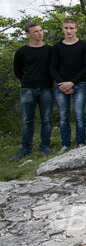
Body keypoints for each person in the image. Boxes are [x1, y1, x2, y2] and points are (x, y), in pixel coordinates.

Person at [11, 22, 54, 160]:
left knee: (46, 120)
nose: (40, 33)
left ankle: (45, 146)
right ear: (28, 34)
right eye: (35, 31)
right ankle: (25, 148)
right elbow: (18, 70)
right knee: (27, 120)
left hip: (46, 88)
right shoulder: (21, 52)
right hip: (27, 88)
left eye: (41, 30)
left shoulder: (49, 50)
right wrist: (27, 81)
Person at [50, 18, 86, 153]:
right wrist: (62, 84)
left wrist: (72, 83)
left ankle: (80, 142)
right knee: (63, 116)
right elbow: (52, 67)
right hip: (61, 86)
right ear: (62, 29)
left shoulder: (84, 45)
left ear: (76, 29)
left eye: (71, 28)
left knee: (79, 114)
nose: (69, 31)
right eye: (66, 28)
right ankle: (65, 143)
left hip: (79, 84)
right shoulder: (57, 47)